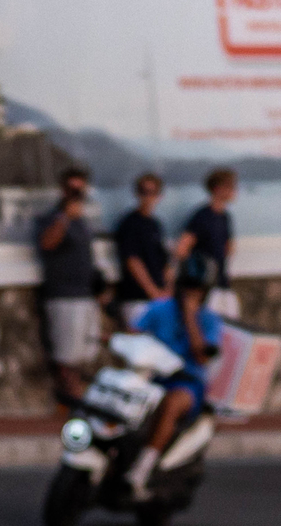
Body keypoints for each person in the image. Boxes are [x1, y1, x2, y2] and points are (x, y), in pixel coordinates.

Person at [126, 254, 222, 498]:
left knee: (171, 402)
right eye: (188, 287)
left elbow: (202, 357)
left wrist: (190, 317)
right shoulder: (159, 308)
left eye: (197, 290)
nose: (191, 293)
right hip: (152, 376)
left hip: (185, 382)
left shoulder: (209, 320)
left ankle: (142, 469)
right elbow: (134, 333)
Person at [30, 167, 104, 410]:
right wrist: (64, 216)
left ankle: (74, 400)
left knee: (83, 353)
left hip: (84, 295)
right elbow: (47, 243)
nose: (76, 194)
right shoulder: (53, 218)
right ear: (63, 189)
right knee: (66, 356)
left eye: (80, 189)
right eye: (72, 189)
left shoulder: (82, 222)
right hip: (63, 296)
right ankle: (71, 402)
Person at [110, 173, 171, 325]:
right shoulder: (129, 224)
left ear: (159, 195)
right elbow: (132, 260)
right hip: (136, 299)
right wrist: (154, 292)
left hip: (160, 300)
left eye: (153, 192)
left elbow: (165, 262)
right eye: (144, 192)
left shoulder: (155, 225)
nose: (148, 197)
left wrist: (167, 291)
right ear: (137, 194)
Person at [176, 168, 237, 317]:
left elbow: (228, 248)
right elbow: (182, 249)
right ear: (217, 188)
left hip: (222, 282)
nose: (234, 191)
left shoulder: (225, 217)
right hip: (206, 287)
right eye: (230, 186)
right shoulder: (202, 216)